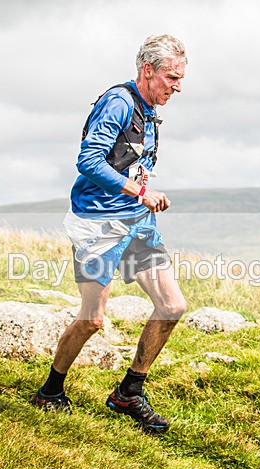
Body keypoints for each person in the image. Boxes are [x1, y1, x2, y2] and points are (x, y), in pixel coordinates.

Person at [30, 34, 188, 433]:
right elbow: (88, 160)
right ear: (147, 70)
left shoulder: (150, 109)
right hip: (98, 224)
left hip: (137, 223)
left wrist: (140, 188)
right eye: (171, 77)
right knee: (92, 320)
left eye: (180, 79)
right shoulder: (118, 102)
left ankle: (129, 392)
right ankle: (51, 390)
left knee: (171, 307)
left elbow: (129, 160)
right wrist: (139, 190)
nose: (177, 86)